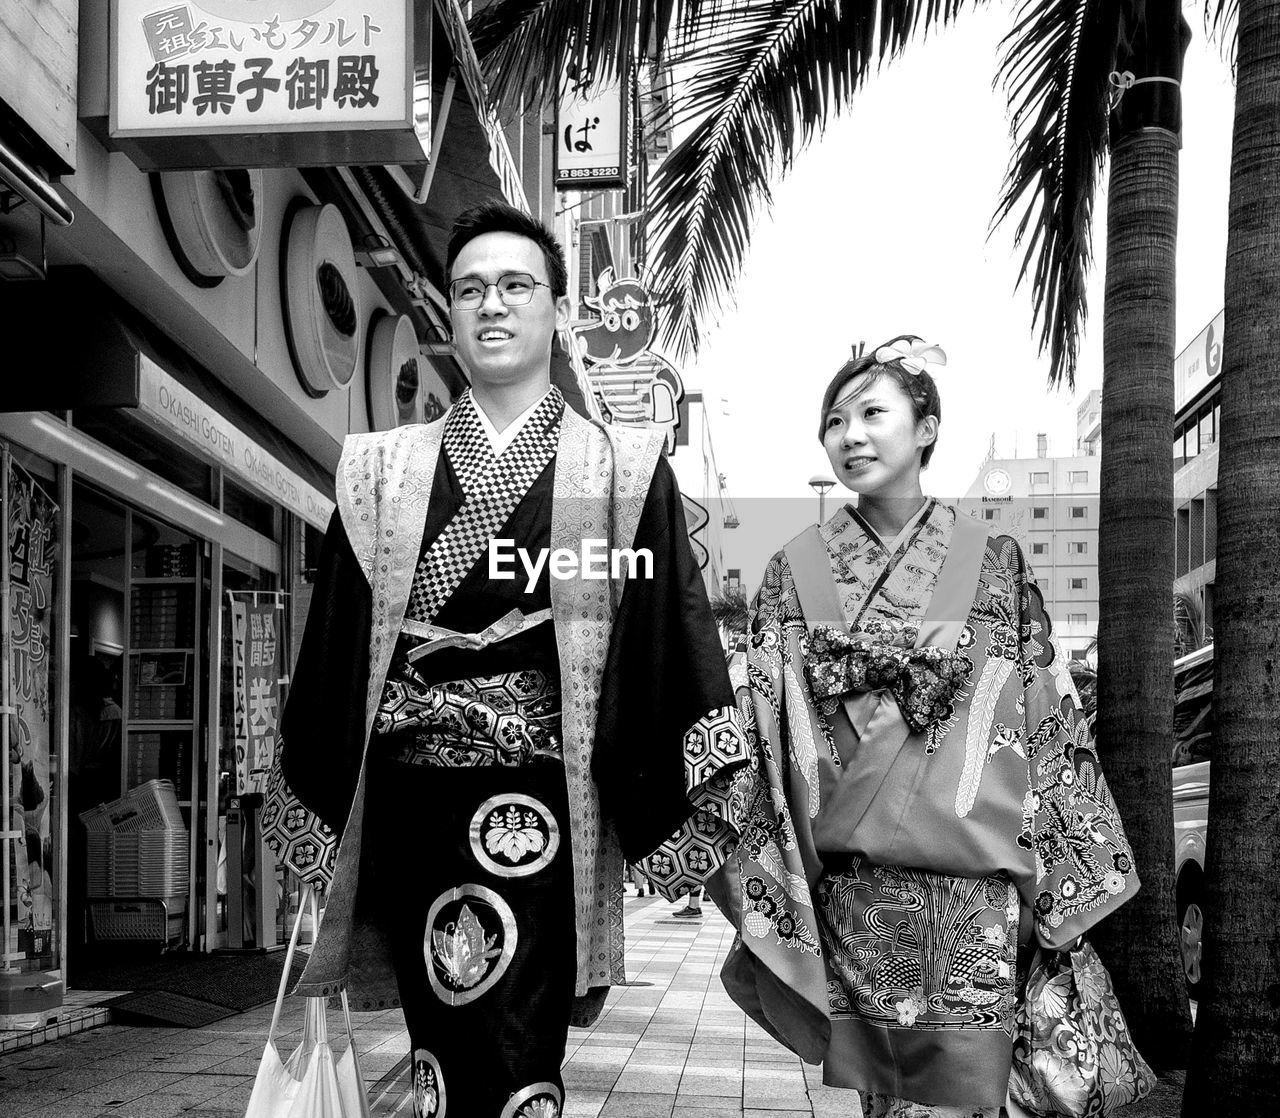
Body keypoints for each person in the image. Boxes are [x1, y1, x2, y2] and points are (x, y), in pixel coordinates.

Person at [276, 201, 746, 1118]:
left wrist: (678, 780)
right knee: (437, 1039)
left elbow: (654, 631)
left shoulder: (611, 468)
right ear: (449, 312)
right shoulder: (382, 468)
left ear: (558, 312)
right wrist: (320, 793)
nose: (493, 304)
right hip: (415, 800)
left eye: (518, 285)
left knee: (512, 1031)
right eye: (472, 288)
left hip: (539, 803)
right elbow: (337, 638)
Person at [710, 337, 1139, 1117]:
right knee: (888, 1097)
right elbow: (763, 726)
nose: (850, 435)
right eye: (834, 421)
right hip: (861, 894)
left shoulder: (993, 561)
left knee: (974, 1093)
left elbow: (1043, 713)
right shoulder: (793, 568)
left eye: (874, 412)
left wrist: (1061, 882)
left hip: (982, 893)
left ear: (928, 427)